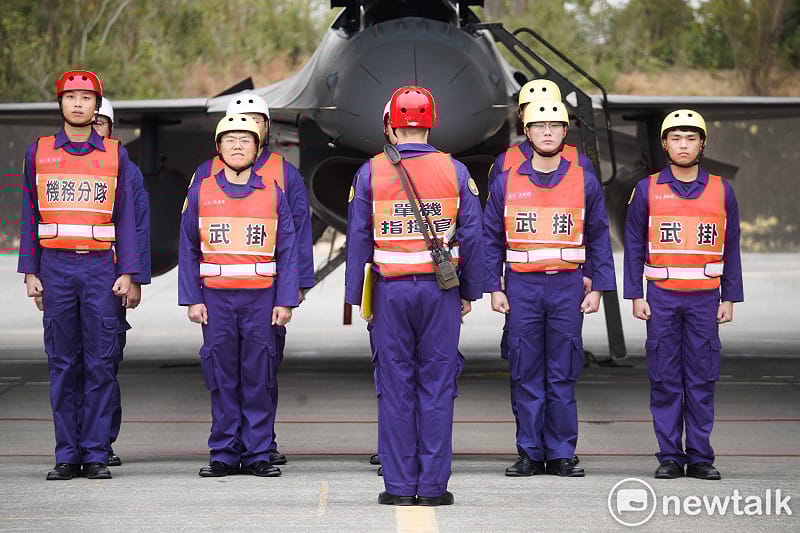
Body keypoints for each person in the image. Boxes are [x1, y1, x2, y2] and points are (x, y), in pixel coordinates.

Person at [345, 86, 484, 506]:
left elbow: (358, 238)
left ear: (391, 125)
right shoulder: (455, 171)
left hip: (390, 293)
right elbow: (473, 237)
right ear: (431, 123)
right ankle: (434, 488)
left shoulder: (370, 172)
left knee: (395, 387)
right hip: (440, 293)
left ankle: (400, 486)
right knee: (437, 386)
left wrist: (357, 298)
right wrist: (468, 291)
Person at [483, 98, 615, 478]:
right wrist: (494, 286)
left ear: (564, 132)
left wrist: (598, 287)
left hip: (567, 287)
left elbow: (599, 237)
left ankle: (561, 454)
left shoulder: (583, 181)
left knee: (562, 373)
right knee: (525, 371)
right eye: (539, 126)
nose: (547, 132)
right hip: (522, 287)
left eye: (554, 126)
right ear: (526, 132)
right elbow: (491, 238)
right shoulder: (507, 181)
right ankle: (529, 452)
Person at [18, 70, 140, 480]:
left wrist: (128, 271)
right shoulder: (39, 152)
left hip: (100, 269)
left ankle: (97, 454)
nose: (77, 104)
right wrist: (30, 270)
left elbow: (126, 217)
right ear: (60, 104)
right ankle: (67, 455)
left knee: (100, 362)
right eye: (70, 97)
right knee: (63, 363)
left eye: (86, 98)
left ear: (96, 106)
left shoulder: (115, 155)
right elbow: (29, 214)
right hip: (55, 268)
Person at [623, 109, 743, 481]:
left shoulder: (722, 190)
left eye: (691, 138)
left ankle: (701, 457)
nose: (684, 145)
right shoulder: (647, 189)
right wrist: (635, 294)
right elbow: (634, 244)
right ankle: (671, 457)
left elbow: (731, 246)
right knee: (665, 379)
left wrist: (729, 297)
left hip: (705, 299)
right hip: (662, 298)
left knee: (701, 379)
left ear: (702, 144)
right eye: (676, 138)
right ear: (665, 144)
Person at [179, 114, 299, 478]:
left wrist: (285, 300)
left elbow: (288, 249)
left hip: (261, 299)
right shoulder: (201, 191)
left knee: (259, 376)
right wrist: (192, 299)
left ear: (257, 148)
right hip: (216, 300)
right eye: (229, 139)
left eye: (245, 140)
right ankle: (224, 453)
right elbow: (188, 248)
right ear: (218, 148)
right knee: (222, 376)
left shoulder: (273, 193)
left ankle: (259, 452)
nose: (237, 146)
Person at [215, 93, 312, 466]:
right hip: (222, 292)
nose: (248, 128)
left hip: (267, 290)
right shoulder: (207, 176)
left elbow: (298, 233)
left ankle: (262, 444)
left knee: (263, 369)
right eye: (239, 122)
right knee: (225, 372)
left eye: (256, 120)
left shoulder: (285, 173)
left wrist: (296, 285)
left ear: (267, 128)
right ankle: (230, 447)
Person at [486, 79, 596, 186]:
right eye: (532, 109)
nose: (540, 113)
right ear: (521, 115)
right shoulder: (504, 162)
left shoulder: (581, 162)